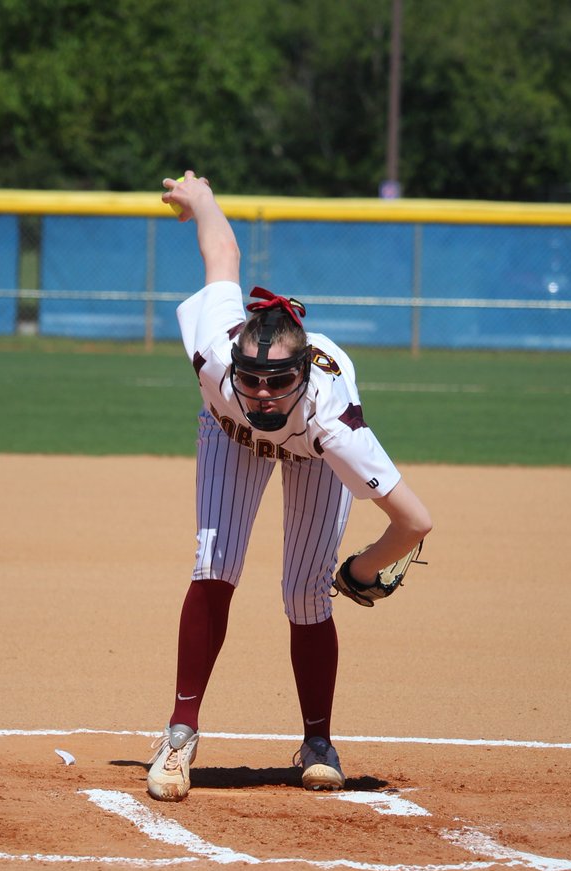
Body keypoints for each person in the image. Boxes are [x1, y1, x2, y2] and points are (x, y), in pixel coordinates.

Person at [146, 170, 432, 802]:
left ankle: (318, 742)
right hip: (231, 440)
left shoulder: (334, 421)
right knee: (213, 566)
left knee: (306, 593)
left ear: (303, 376)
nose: (262, 392)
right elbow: (222, 253)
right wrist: (201, 199)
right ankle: (179, 735)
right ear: (234, 367)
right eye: (252, 380)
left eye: (277, 382)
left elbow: (414, 522)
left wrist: (360, 569)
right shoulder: (216, 360)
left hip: (309, 456)